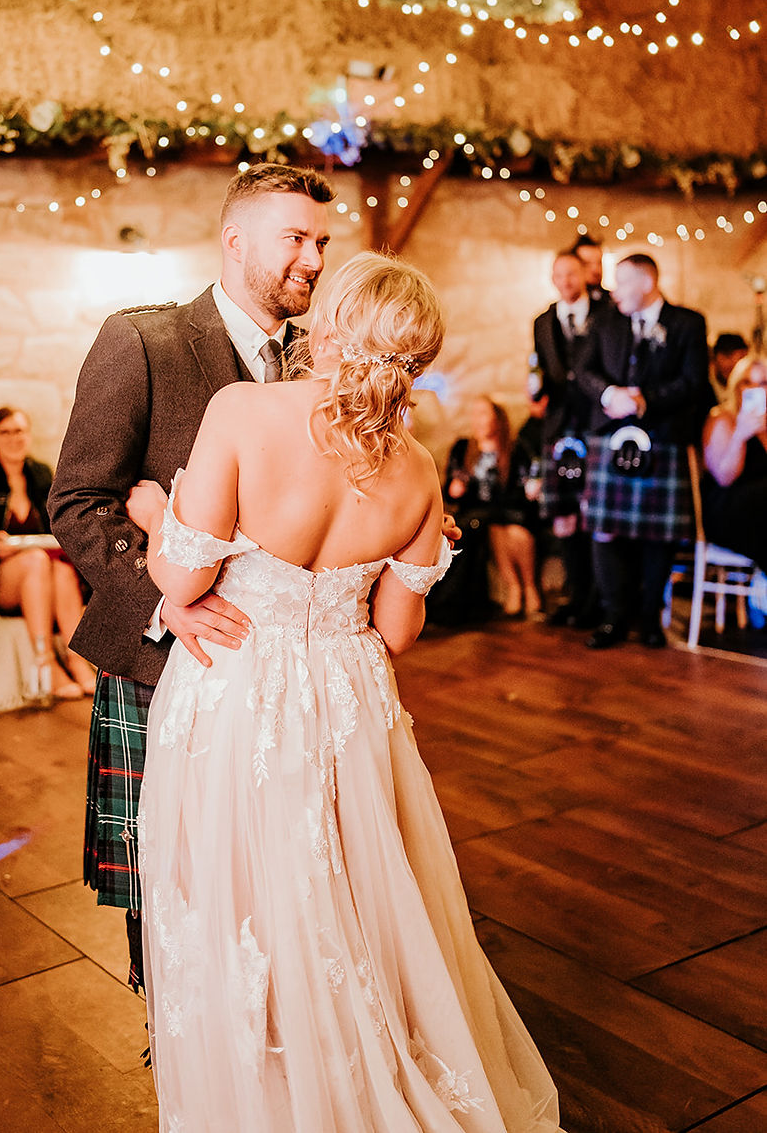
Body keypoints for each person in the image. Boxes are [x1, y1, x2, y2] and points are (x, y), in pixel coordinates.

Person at [126, 253, 563, 1133]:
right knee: (354, 893)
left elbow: (183, 577)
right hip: (348, 695)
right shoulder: (419, 469)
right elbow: (396, 630)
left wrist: (150, 511)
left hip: (241, 685)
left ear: (326, 327)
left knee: (242, 897)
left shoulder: (242, 410)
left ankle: (275, 1092)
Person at [48, 163, 336, 991]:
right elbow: (78, 500)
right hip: (170, 656)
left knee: (277, 866)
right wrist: (161, 604)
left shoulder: (321, 360)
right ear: (234, 240)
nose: (314, 260)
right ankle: (172, 1035)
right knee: (169, 870)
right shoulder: (145, 341)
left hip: (286, 669)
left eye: (322, 241)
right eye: (295, 238)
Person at [577, 253, 708, 650]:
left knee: (658, 537)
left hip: (662, 437)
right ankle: (614, 618)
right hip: (609, 435)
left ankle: (650, 619)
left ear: (648, 282)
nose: (615, 291)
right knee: (604, 530)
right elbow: (583, 370)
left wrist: (645, 399)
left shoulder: (687, 323)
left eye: (623, 282)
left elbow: (694, 382)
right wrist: (609, 394)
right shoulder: (605, 321)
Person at [0, 408, 94, 700]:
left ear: (29, 435)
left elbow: (58, 525)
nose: (14, 438)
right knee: (36, 560)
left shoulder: (41, 474)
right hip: (0, 579)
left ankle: (76, 660)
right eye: (5, 432)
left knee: (60, 568)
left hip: (46, 573)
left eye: (19, 431)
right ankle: (46, 663)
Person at [532, 250, 598, 627]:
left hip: (596, 424)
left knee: (594, 515)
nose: (565, 281)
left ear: (584, 274)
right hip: (558, 426)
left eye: (571, 273)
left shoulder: (606, 314)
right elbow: (540, 368)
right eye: (559, 275)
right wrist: (535, 391)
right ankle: (575, 596)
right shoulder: (542, 322)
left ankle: (597, 601)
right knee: (565, 515)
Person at [445, 396, 543, 618]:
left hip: (509, 513)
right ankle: (516, 587)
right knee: (496, 528)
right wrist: (455, 488)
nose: (477, 420)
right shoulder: (463, 448)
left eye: (482, 414)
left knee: (514, 530)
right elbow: (450, 490)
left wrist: (532, 487)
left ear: (497, 419)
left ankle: (527, 587)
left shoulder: (515, 449)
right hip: (478, 515)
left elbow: (524, 488)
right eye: (474, 414)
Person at [702, 352, 767, 567]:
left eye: (763, 383)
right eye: (747, 382)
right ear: (736, 386)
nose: (755, 389)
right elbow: (724, 478)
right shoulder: (722, 418)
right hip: (729, 510)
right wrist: (741, 434)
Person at [708, 332, 749, 407]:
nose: (734, 365)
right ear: (714, 359)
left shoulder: (749, 390)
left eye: (741, 358)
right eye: (728, 356)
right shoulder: (701, 390)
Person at [570, 233, 608, 303]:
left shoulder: (615, 302)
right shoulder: (562, 307)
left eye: (599, 263)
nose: (595, 269)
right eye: (587, 264)